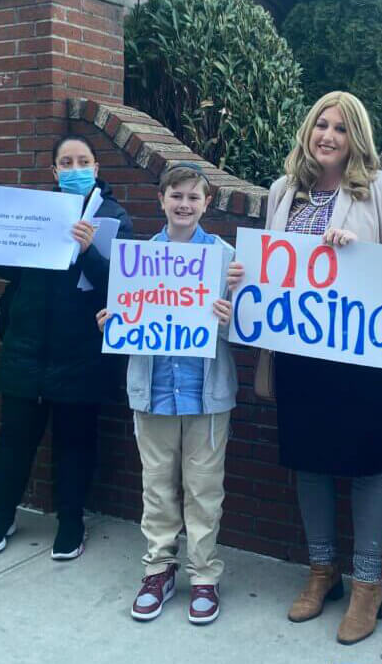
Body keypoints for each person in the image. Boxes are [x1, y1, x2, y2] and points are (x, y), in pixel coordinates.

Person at [226, 91, 382, 645]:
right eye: (320, 125)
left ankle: (368, 583)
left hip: (361, 356)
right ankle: (322, 571)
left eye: (339, 127)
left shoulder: (380, 188)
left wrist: (360, 248)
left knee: (367, 465)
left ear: (354, 136)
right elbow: (273, 264)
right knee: (308, 460)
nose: (327, 135)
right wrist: (249, 276)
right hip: (299, 352)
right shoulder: (283, 191)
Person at [0, 134, 132, 561]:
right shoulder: (38, 213)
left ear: (97, 167)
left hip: (81, 352)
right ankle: (2, 516)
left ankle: (71, 522)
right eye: (66, 163)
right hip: (26, 346)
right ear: (54, 171)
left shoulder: (114, 217)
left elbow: (120, 285)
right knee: (14, 439)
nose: (75, 169)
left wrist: (88, 251)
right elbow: (14, 270)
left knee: (76, 442)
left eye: (83, 160)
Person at [95, 163, 236, 625]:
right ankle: (158, 570)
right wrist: (112, 322)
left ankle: (203, 576)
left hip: (206, 396)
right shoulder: (137, 259)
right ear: (161, 200)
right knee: (156, 489)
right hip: (152, 393)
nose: (184, 204)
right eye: (176, 195)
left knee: (204, 491)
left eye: (193, 198)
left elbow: (249, 327)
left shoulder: (224, 257)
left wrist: (228, 317)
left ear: (207, 204)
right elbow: (127, 317)